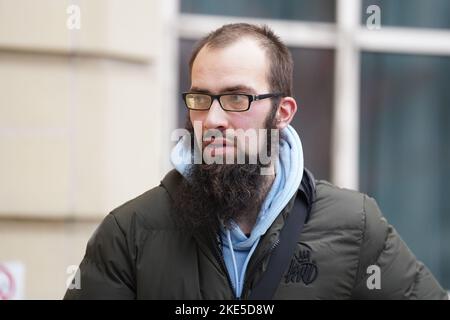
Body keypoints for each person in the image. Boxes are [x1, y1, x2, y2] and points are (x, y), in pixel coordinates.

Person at [64, 23, 447, 300]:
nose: (212, 119)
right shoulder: (129, 232)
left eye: (237, 99)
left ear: (283, 112)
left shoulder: (355, 224)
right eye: (201, 98)